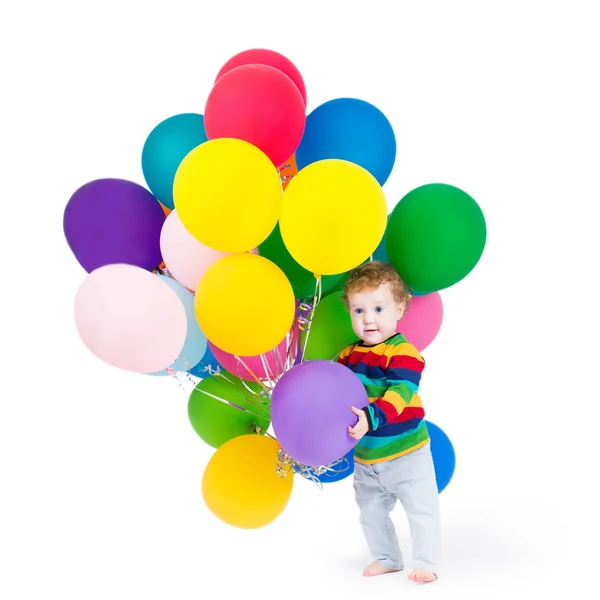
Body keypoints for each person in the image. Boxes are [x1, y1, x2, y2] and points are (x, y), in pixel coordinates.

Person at [336, 260, 440, 583]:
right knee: (371, 513)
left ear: (399, 308)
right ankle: (387, 557)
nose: (368, 319)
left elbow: (401, 392)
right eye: (359, 311)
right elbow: (332, 389)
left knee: (422, 509)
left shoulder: (403, 352)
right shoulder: (348, 355)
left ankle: (425, 561)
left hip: (407, 452)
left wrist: (370, 417)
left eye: (378, 309)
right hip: (367, 458)